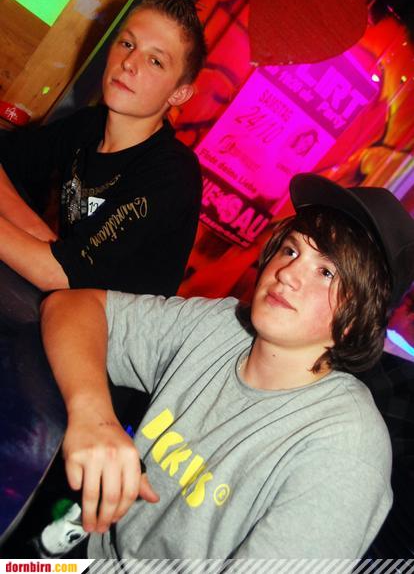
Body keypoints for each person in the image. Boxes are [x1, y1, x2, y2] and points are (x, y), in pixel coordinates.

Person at [40, 173, 414, 559]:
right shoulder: (222, 325)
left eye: (326, 272)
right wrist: (94, 416)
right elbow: (71, 307)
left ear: (357, 319)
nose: (286, 274)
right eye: (291, 251)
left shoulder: (346, 453)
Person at [0, 0, 206, 301]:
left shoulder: (172, 173)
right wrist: (43, 238)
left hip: (104, 330)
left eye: (155, 61)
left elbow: (56, 274)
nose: (129, 63)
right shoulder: (88, 125)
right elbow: (11, 157)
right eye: (127, 44)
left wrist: (54, 255)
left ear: (178, 93)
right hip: (63, 302)